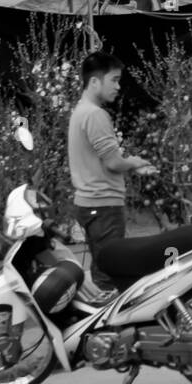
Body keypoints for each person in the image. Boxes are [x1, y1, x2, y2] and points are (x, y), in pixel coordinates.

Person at [68, 51, 156, 291]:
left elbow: (103, 160)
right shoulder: (96, 115)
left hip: (92, 203)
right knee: (109, 273)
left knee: (103, 268)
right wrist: (135, 162)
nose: (118, 87)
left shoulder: (80, 111)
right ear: (95, 81)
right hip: (103, 205)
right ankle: (103, 326)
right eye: (114, 80)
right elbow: (113, 163)